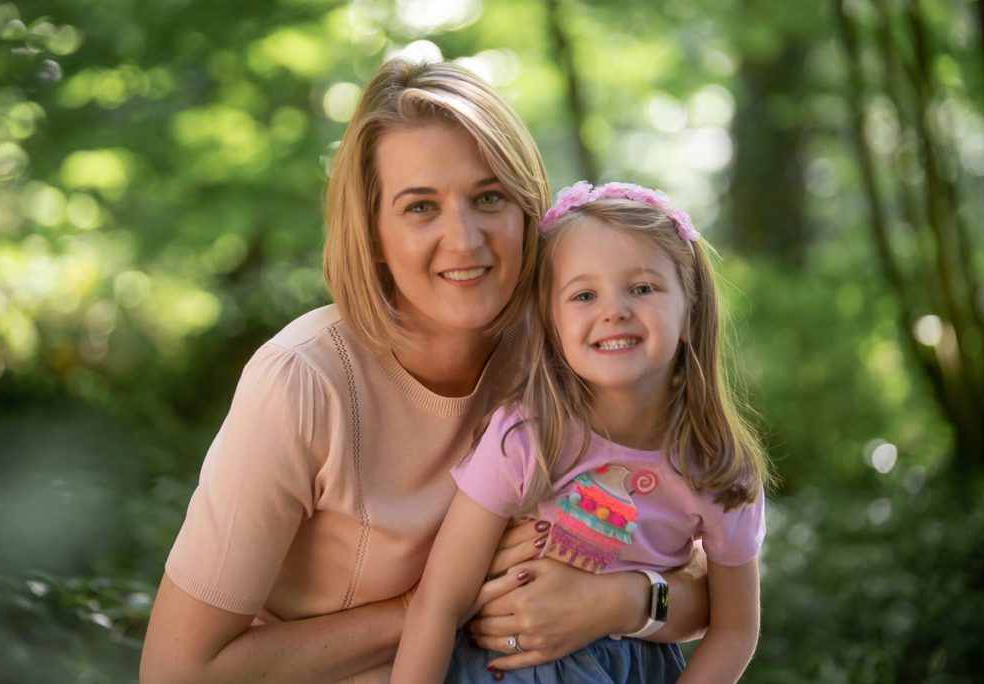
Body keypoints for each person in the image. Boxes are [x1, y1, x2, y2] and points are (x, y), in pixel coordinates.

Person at [139, 60, 711, 684]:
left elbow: (703, 572)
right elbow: (177, 670)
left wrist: (621, 601)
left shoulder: (568, 352)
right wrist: (436, 603)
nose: (465, 239)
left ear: (527, 209)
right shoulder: (302, 382)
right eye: (420, 207)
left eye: (488, 197)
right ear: (374, 233)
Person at [392, 181, 769, 683]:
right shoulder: (524, 437)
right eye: (584, 295)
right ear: (552, 324)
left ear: (690, 310)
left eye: (642, 288)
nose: (613, 310)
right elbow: (438, 603)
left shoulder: (717, 467)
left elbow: (735, 630)